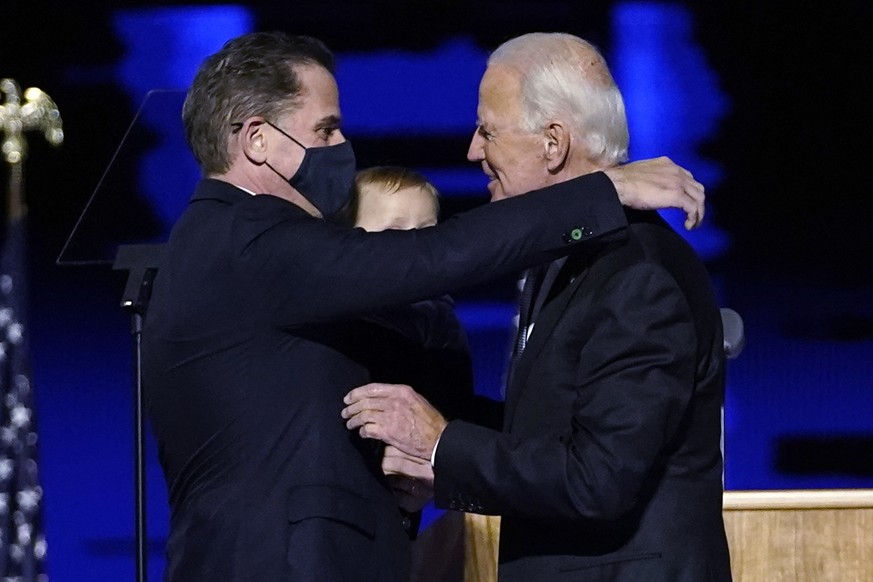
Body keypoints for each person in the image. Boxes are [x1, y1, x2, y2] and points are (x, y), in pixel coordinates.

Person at [142, 31, 708, 582]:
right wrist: (604, 192)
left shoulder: (633, 271)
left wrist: (439, 448)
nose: (344, 149)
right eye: (327, 129)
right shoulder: (245, 241)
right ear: (257, 140)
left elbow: (578, 451)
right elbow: (433, 256)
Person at [342, 32, 732, 581]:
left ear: (553, 143)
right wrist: (434, 450)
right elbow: (549, 436)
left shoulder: (637, 274)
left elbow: (598, 479)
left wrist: (440, 442)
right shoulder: (577, 257)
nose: (473, 151)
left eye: (488, 130)